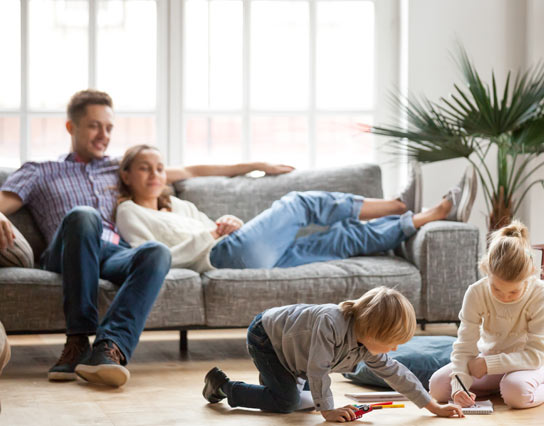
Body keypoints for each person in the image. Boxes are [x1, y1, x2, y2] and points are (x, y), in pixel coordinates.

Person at [0, 89, 294, 387]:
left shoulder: (118, 167)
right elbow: (3, 202)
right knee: (83, 215)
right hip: (67, 252)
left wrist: (256, 166)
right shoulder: (40, 171)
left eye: (109, 127)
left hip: (112, 252)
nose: (104, 134)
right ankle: (77, 341)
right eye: (94, 126)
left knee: (155, 251)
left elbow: (192, 170)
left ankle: (108, 349)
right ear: (70, 127)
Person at [114, 145, 472, 272]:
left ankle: (424, 216)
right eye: (144, 168)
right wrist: (211, 235)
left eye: (159, 168)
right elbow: (149, 257)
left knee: (340, 239)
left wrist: (229, 222)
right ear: (127, 175)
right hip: (221, 256)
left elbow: (214, 225)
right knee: (299, 203)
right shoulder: (129, 212)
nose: (155, 174)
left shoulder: (178, 204)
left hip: (241, 250)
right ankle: (397, 203)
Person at [202, 286, 464, 421]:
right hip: (267, 338)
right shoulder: (331, 322)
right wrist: (328, 410)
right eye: (391, 343)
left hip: (295, 353)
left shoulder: (367, 345)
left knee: (302, 402)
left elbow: (397, 374)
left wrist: (433, 406)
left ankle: (275, 384)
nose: (394, 350)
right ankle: (223, 386)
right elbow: (318, 369)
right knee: (287, 403)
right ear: (372, 331)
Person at [428, 221, 544, 409]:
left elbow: (536, 355)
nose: (504, 297)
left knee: (516, 394)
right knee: (438, 388)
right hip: (490, 358)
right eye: (496, 289)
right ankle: (499, 386)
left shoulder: (542, 294)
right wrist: (460, 387)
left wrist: (488, 364)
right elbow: (465, 347)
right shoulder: (476, 292)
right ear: (486, 270)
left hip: (533, 362)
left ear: (531, 274)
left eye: (513, 292)